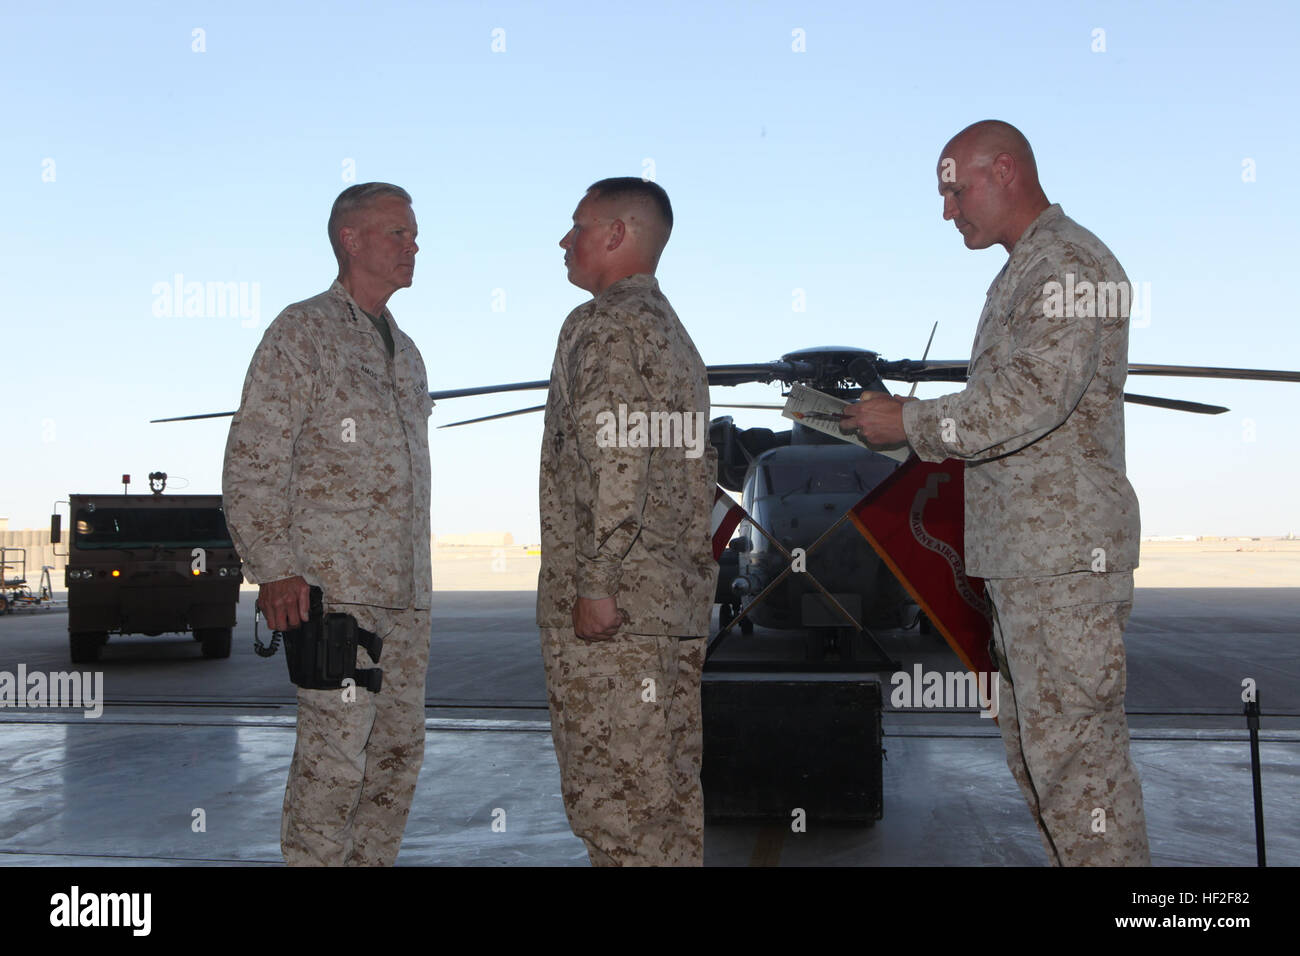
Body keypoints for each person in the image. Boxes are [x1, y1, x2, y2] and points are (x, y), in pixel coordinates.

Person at [841, 120, 1150, 866]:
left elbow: (1034, 395)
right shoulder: (1027, 270)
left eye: (956, 189)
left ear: (1004, 169)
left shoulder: (1069, 265)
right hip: (1029, 566)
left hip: (1062, 565)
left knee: (1080, 772)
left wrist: (909, 421)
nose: (948, 211)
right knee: (1045, 763)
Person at [222, 182, 433, 866]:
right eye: (397, 233)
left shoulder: (408, 354)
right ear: (352, 239)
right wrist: (275, 567)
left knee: (395, 759)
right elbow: (254, 458)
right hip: (334, 594)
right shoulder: (301, 332)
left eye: (413, 233)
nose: (413, 245)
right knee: (334, 766)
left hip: (405, 598)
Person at [537, 177, 718, 866]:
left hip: (618, 617)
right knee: (667, 803)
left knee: (616, 808)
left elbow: (618, 458)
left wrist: (596, 580)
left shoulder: (604, 325)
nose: (565, 240)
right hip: (667, 612)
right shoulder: (674, 336)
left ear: (618, 235)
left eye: (578, 225)